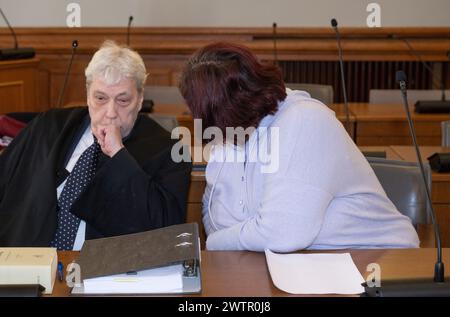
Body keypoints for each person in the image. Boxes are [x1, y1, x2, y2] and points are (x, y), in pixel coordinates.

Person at [179, 42, 419, 252]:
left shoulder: (305, 121)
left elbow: (283, 232)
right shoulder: (231, 130)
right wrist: (227, 240)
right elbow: (213, 207)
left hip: (373, 259)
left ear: (222, 109)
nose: (193, 116)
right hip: (291, 261)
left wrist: (216, 243)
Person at [0, 40, 191, 250]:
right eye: (100, 98)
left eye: (123, 100)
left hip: (105, 273)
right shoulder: (48, 127)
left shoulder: (169, 150)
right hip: (28, 265)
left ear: (140, 99)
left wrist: (119, 156)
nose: (110, 112)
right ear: (87, 94)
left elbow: (166, 230)